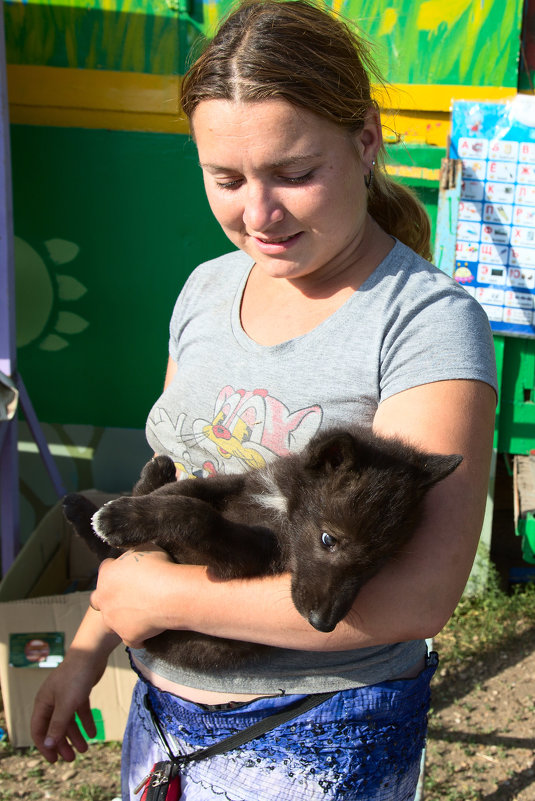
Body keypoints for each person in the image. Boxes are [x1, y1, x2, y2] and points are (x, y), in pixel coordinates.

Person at [31, 2, 497, 799]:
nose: (258, 213)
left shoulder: (425, 322)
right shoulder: (205, 290)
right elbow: (168, 491)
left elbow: (415, 598)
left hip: (319, 737)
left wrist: (159, 597)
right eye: (226, 178)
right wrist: (88, 648)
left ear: (366, 140)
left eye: (293, 173)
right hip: (164, 716)